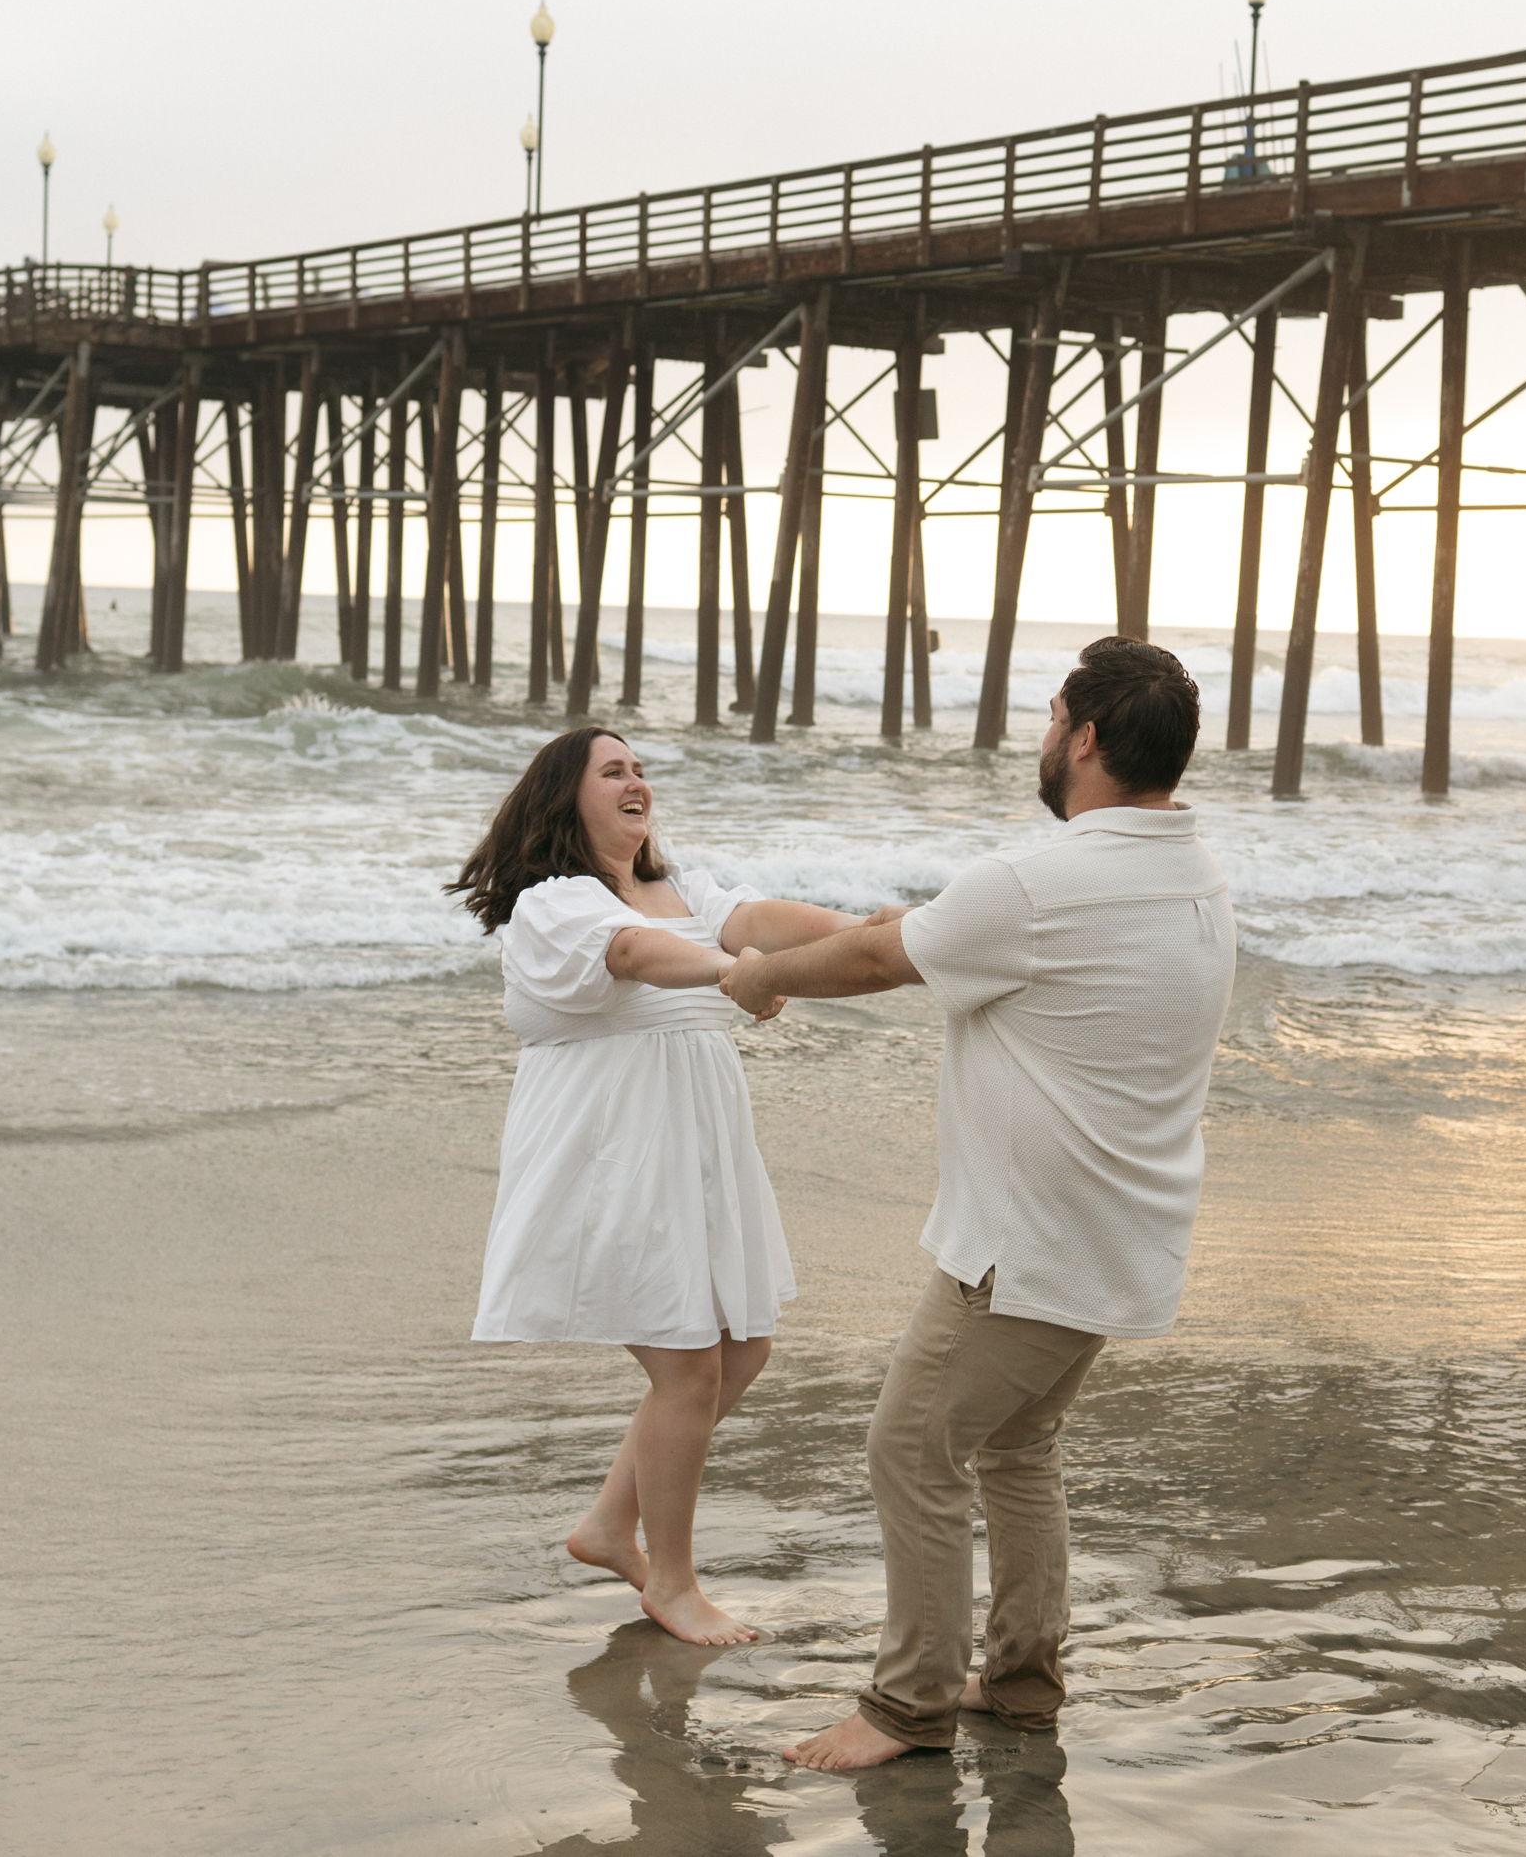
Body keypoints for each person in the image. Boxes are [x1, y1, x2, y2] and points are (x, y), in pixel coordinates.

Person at [721, 637, 1238, 1768]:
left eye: (1052, 715)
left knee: (909, 1448)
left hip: (1025, 1249)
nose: (1043, 736)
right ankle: (1019, 1680)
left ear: (1087, 737)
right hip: (1117, 1239)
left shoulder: (1039, 883)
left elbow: (874, 965)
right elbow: (918, 935)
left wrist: (755, 976)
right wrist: (801, 925)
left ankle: (904, 1706)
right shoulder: (1189, 872)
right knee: (1016, 1449)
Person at [450, 725, 871, 1648]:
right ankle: (673, 1583)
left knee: (742, 1345)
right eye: (613, 772)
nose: (637, 781)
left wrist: (863, 933)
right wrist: (737, 977)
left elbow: (756, 919)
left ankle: (608, 1525)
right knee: (687, 1364)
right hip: (615, 1146)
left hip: (697, 1141)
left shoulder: (681, 887)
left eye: (641, 769)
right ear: (568, 797)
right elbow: (637, 956)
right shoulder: (554, 901)